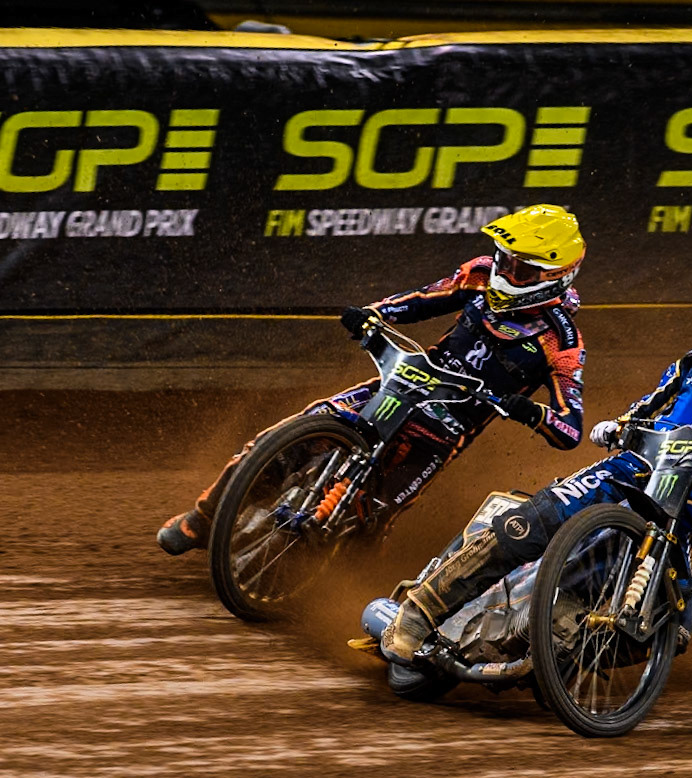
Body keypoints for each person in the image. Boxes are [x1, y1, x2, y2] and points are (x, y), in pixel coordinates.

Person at [377, 284, 692, 661]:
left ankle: (555, 660)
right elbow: (645, 407)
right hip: (628, 471)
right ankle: (421, 611)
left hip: (677, 521)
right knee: (527, 523)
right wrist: (620, 425)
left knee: (671, 633)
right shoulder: (688, 369)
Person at [156, 204, 589, 555]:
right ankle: (205, 519)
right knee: (288, 437)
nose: (506, 273)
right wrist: (375, 313)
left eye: (522, 271)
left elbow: (570, 429)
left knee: (373, 516)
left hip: (444, 428)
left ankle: (338, 592)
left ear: (556, 277)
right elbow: (422, 301)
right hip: (404, 383)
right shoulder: (479, 274)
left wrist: (532, 412)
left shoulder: (562, 341)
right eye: (504, 260)